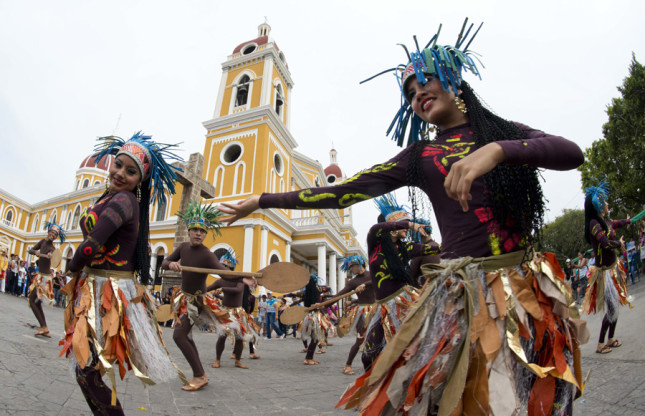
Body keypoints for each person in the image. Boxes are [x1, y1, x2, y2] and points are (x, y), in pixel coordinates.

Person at [220, 20, 587, 415]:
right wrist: (262, 200)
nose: (418, 95)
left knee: (536, 395)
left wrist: (497, 150)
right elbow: (340, 191)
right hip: (464, 297)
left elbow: (571, 152)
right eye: (410, 94)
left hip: (523, 290)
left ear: (455, 82)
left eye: (425, 81)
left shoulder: (502, 132)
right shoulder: (419, 157)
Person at [59, 132, 185, 414]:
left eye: (131, 171)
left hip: (108, 294)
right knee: (88, 370)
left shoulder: (123, 201)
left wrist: (71, 271)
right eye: (118, 165)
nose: (120, 173)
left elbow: (91, 247)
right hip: (99, 287)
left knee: (88, 371)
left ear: (140, 180)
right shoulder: (116, 198)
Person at [162, 201, 251, 389]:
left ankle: (199, 375)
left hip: (197, 301)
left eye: (201, 231)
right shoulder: (183, 248)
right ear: (188, 231)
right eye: (194, 229)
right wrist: (170, 264)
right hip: (184, 298)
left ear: (205, 234)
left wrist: (244, 276)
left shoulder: (207, 255)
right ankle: (200, 374)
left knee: (179, 336)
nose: (198, 233)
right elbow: (165, 261)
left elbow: (225, 273)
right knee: (185, 336)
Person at [581, 181, 632, 354]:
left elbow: (616, 223)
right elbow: (604, 243)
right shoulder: (594, 224)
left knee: (615, 305)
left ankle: (610, 338)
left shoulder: (604, 221)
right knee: (611, 306)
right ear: (598, 205)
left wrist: (628, 221)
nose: (607, 204)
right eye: (604, 202)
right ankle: (600, 343)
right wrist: (619, 244)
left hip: (613, 269)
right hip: (604, 273)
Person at [209, 248, 260, 368]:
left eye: (224, 267)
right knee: (222, 336)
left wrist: (222, 289)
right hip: (225, 312)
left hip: (237, 312)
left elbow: (238, 290)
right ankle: (217, 360)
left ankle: (237, 361)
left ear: (230, 268)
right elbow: (208, 288)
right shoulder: (220, 281)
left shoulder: (239, 280)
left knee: (239, 337)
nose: (222, 270)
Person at [330, 255, 375, 376]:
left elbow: (380, 279)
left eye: (352, 267)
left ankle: (377, 364)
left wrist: (366, 284)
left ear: (359, 265)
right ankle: (348, 365)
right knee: (360, 339)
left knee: (381, 337)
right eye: (349, 268)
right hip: (363, 312)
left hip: (377, 309)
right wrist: (324, 303)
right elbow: (340, 295)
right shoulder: (353, 282)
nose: (351, 270)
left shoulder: (372, 274)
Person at [27, 222, 64, 336]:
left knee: (32, 301)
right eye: (51, 232)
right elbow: (30, 250)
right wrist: (36, 252)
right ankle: (45, 328)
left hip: (44, 279)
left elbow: (53, 257)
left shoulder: (52, 249)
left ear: (56, 237)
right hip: (39, 276)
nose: (52, 235)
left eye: (55, 234)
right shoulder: (42, 242)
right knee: (36, 302)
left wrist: (49, 256)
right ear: (48, 232)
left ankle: (43, 327)